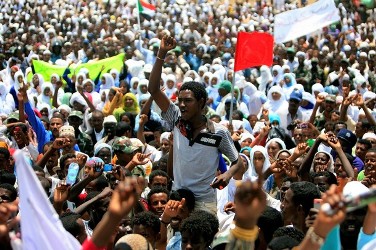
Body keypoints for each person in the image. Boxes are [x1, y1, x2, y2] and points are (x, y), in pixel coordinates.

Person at [148, 36, 241, 213]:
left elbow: (238, 163)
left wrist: (227, 175)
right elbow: (153, 90)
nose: (182, 105)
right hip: (177, 198)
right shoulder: (176, 118)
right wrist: (161, 53)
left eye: (188, 101)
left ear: (201, 103)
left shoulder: (218, 133)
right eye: (180, 100)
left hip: (205, 202)